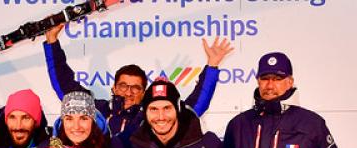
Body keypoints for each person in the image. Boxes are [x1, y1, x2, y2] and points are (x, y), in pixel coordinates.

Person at [43, 24, 233, 136]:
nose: (128, 91)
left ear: (144, 92)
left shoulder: (150, 117)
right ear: (114, 87)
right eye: (123, 85)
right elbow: (65, 86)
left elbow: (195, 107)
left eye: (136, 88)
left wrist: (212, 66)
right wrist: (52, 42)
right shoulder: (97, 110)